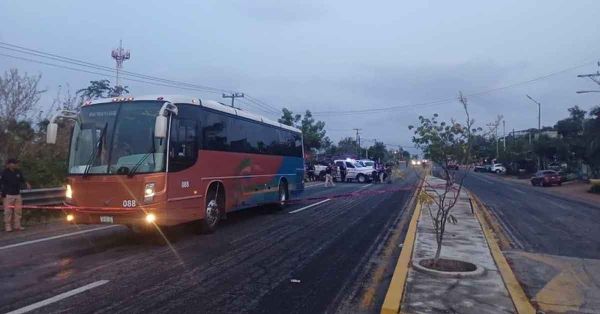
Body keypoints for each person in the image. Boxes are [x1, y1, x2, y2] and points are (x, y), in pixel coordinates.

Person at [1, 158, 31, 232]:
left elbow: (22, 179)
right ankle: (8, 226)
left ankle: (17, 225)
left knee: (18, 211)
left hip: (17, 194)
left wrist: (27, 183)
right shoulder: (4, 172)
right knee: (8, 211)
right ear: (9, 164)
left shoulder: (18, 172)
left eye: (16, 163)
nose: (15, 165)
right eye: (14, 163)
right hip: (8, 195)